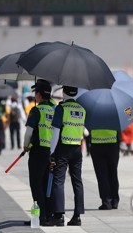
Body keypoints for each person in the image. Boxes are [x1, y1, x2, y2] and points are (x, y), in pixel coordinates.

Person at [49, 86, 86, 227]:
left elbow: (56, 132)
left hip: (63, 148)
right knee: (77, 181)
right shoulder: (82, 109)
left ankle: (58, 215)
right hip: (77, 148)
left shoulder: (61, 108)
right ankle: (77, 216)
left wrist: (51, 152)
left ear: (63, 92)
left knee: (58, 181)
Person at [23, 79, 54, 226]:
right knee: (46, 184)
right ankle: (48, 214)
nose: (35, 95)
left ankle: (39, 217)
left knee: (35, 184)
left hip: (38, 152)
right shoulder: (55, 109)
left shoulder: (36, 110)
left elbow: (29, 131)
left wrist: (25, 146)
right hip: (51, 152)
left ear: (40, 94)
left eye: (36, 92)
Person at [89, 128, 120, 210]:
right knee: (113, 173)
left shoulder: (93, 114)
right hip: (112, 143)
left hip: (97, 143)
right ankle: (114, 200)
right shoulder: (114, 114)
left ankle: (106, 201)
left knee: (101, 175)